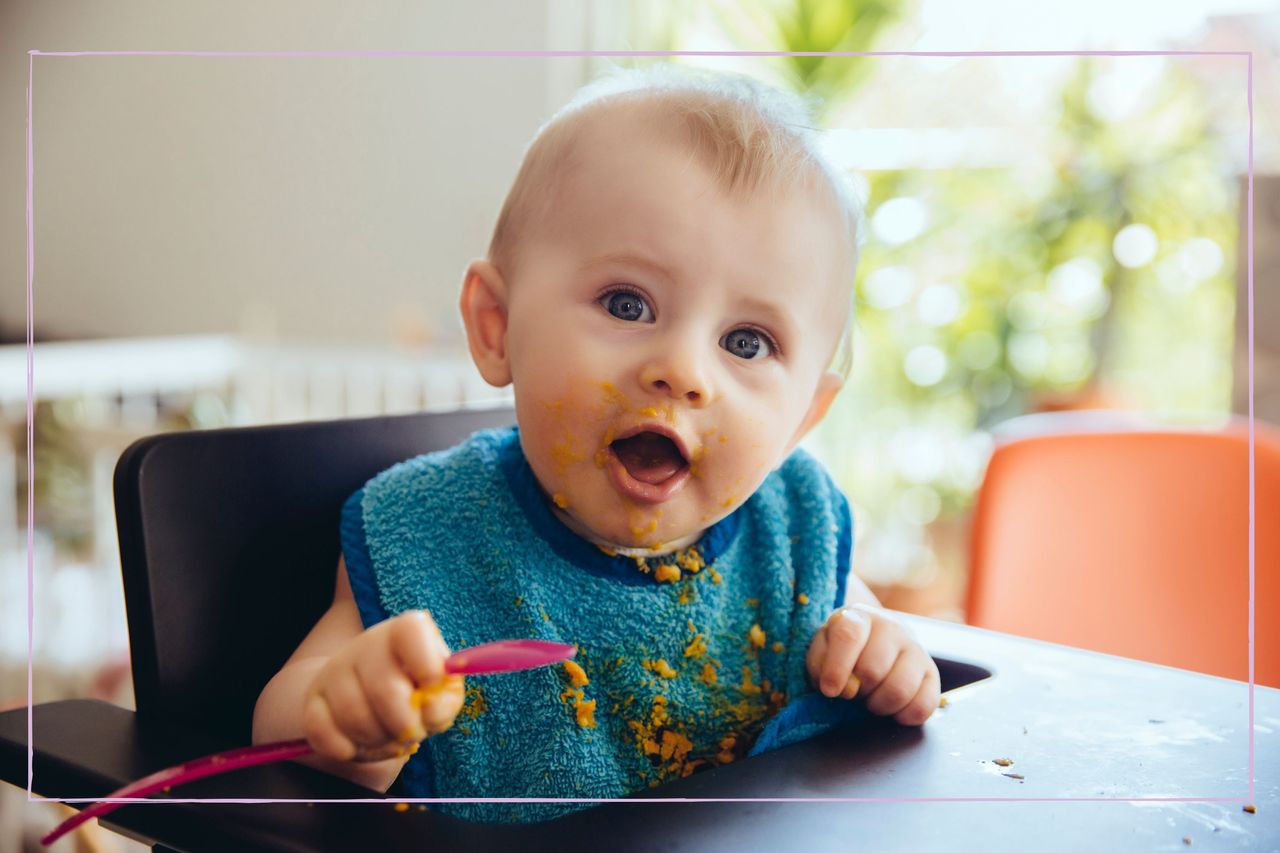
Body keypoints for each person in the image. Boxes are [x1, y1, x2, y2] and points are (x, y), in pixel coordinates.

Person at [253, 65, 940, 822]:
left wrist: (885, 656)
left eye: (747, 341)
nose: (682, 371)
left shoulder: (796, 533)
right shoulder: (431, 530)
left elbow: (858, 630)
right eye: (627, 302)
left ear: (803, 418)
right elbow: (282, 731)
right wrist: (348, 717)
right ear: (496, 326)